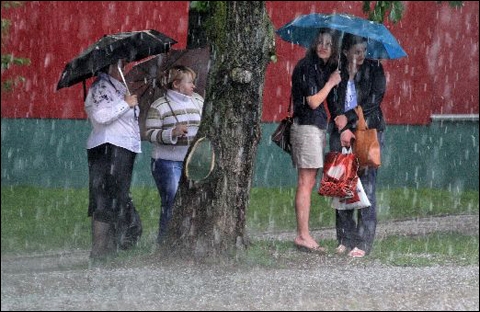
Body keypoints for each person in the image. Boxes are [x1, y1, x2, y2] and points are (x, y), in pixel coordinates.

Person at [327, 33, 386, 258]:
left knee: (366, 186)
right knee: (342, 186)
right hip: (340, 134)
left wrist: (348, 120)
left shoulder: (375, 69)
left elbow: (373, 101)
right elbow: (333, 103)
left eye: (364, 50)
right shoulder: (338, 72)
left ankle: (363, 242)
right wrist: (341, 127)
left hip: (367, 132)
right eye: (356, 51)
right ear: (345, 52)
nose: (361, 55)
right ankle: (344, 238)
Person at [290, 28, 342, 253]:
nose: (324, 46)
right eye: (320, 42)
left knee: (309, 182)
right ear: (313, 44)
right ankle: (302, 235)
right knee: (305, 181)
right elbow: (312, 102)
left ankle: (304, 234)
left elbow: (330, 102)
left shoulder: (323, 68)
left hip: (316, 128)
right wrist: (331, 83)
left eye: (328, 44)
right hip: (307, 127)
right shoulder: (307, 67)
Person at [84, 59, 140, 261]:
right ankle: (100, 250)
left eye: (123, 65)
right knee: (104, 199)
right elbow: (101, 116)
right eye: (118, 65)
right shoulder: (100, 88)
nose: (123, 68)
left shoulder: (119, 88)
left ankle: (111, 249)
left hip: (123, 148)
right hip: (108, 148)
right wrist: (125, 104)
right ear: (106, 67)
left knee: (117, 197)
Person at [144, 65, 204, 245]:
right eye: (190, 82)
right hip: (167, 162)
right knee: (172, 200)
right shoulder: (159, 106)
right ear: (176, 84)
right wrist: (172, 133)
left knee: (195, 201)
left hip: (194, 160)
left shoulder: (198, 101)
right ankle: (166, 243)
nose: (193, 86)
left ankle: (189, 240)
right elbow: (150, 134)